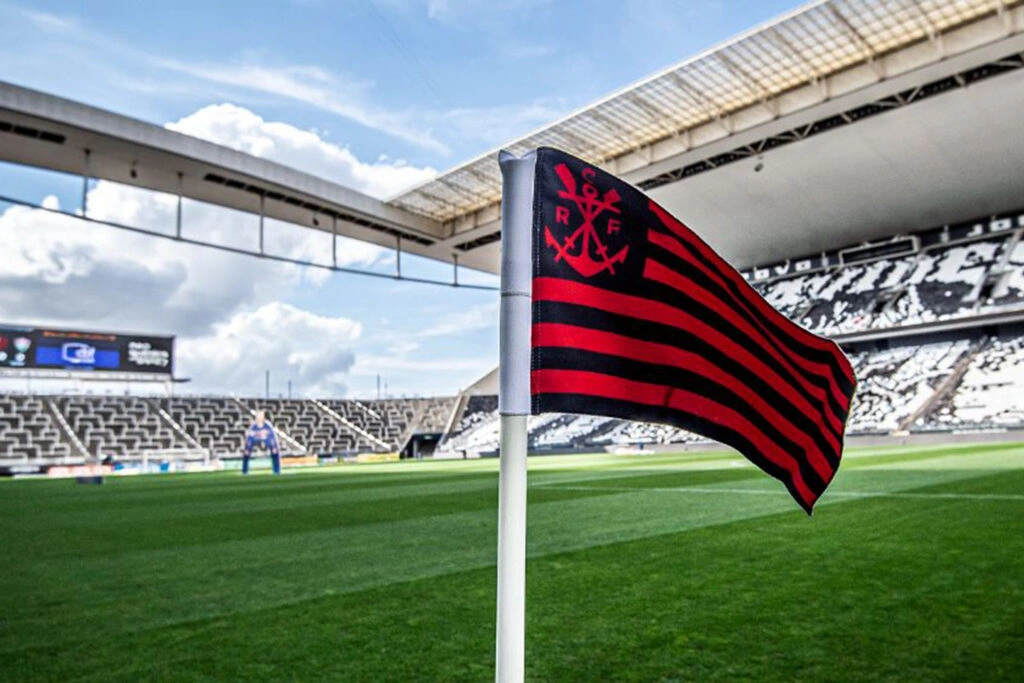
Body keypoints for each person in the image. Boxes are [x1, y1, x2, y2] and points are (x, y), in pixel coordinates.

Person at [242, 410, 281, 475]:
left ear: (263, 417)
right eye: (258, 416)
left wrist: (274, 446)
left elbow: (272, 437)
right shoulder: (253, 427)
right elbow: (249, 438)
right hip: (255, 439)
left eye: (260, 416)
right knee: (246, 453)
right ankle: (244, 471)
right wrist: (247, 447)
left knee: (275, 452)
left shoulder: (267, 425)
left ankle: (276, 471)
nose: (259, 418)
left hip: (266, 439)